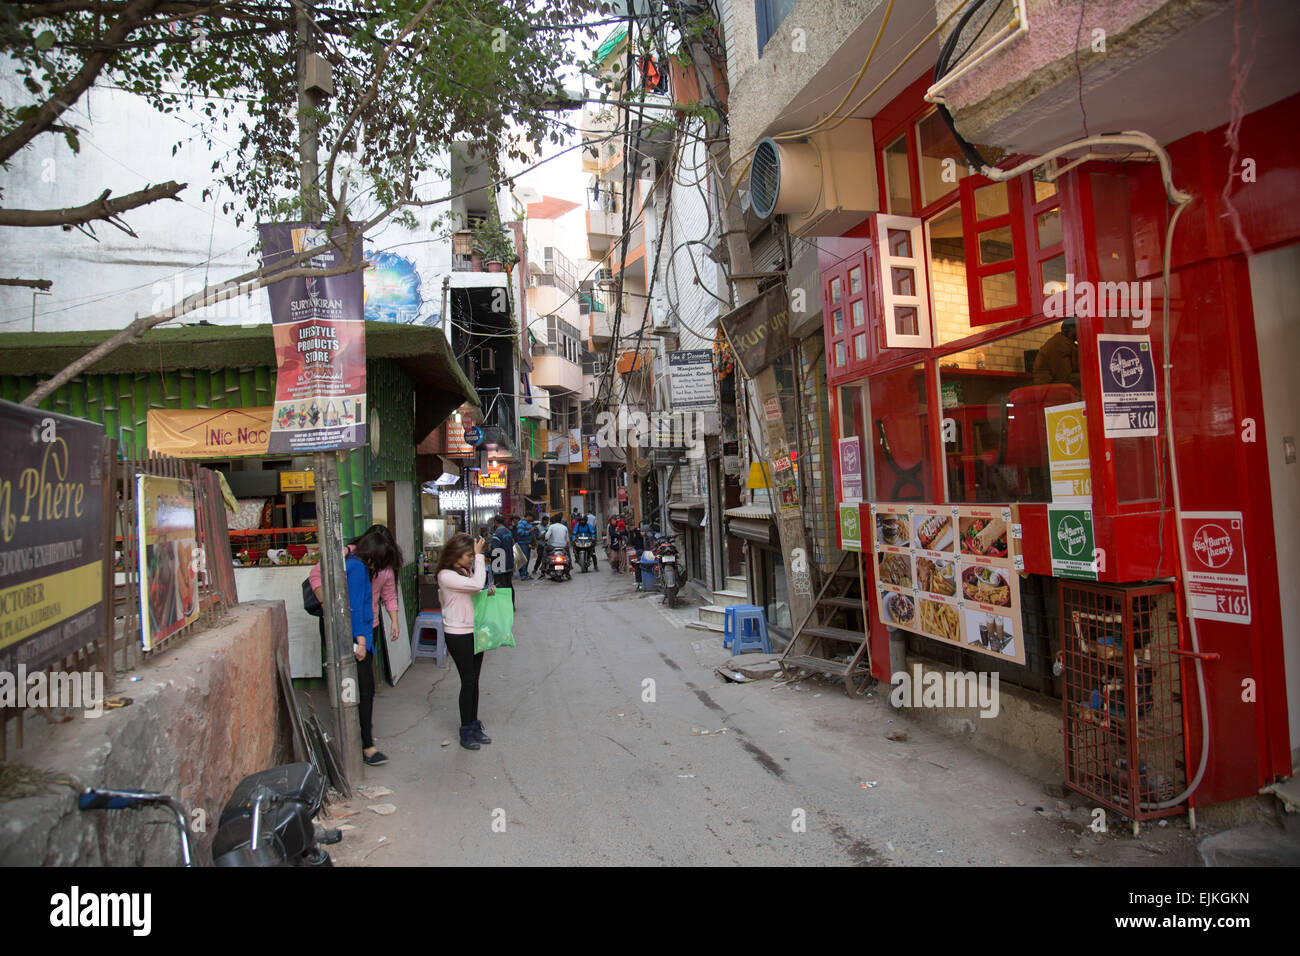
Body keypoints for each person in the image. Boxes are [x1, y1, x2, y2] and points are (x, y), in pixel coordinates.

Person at [309, 524, 403, 766]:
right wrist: (329, 606)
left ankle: (361, 741)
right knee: (347, 682)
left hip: (363, 627)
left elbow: (375, 601)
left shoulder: (369, 566)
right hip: (345, 628)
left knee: (363, 685)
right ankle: (354, 742)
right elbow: (351, 605)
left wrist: (390, 622)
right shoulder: (354, 565)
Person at [435, 532, 494, 751]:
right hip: (457, 633)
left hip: (474, 630)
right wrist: (480, 557)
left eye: (472, 555)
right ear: (456, 554)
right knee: (468, 681)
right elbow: (477, 585)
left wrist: (487, 593)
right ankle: (465, 730)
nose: (472, 558)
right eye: (468, 555)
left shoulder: (463, 572)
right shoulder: (445, 575)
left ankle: (474, 724)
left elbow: (475, 591)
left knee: (475, 681)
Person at [1033, 318, 1081, 387]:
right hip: (1050, 393)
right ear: (1069, 329)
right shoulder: (1059, 344)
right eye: (1079, 327)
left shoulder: (1068, 344)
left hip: (1059, 391)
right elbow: (1065, 378)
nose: (1083, 331)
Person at [489, 514, 516, 609]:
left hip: (500, 563)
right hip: (509, 561)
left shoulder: (497, 533)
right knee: (509, 584)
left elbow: (495, 550)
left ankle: (504, 607)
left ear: (495, 522)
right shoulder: (508, 531)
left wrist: (487, 554)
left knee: (500, 585)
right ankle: (511, 605)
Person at [514, 514, 534, 580]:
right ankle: (523, 574)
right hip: (523, 544)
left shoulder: (529, 523)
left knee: (527, 559)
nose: (531, 518)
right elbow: (520, 532)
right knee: (524, 559)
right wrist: (529, 531)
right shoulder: (521, 523)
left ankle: (525, 573)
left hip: (528, 543)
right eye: (530, 517)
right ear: (527, 516)